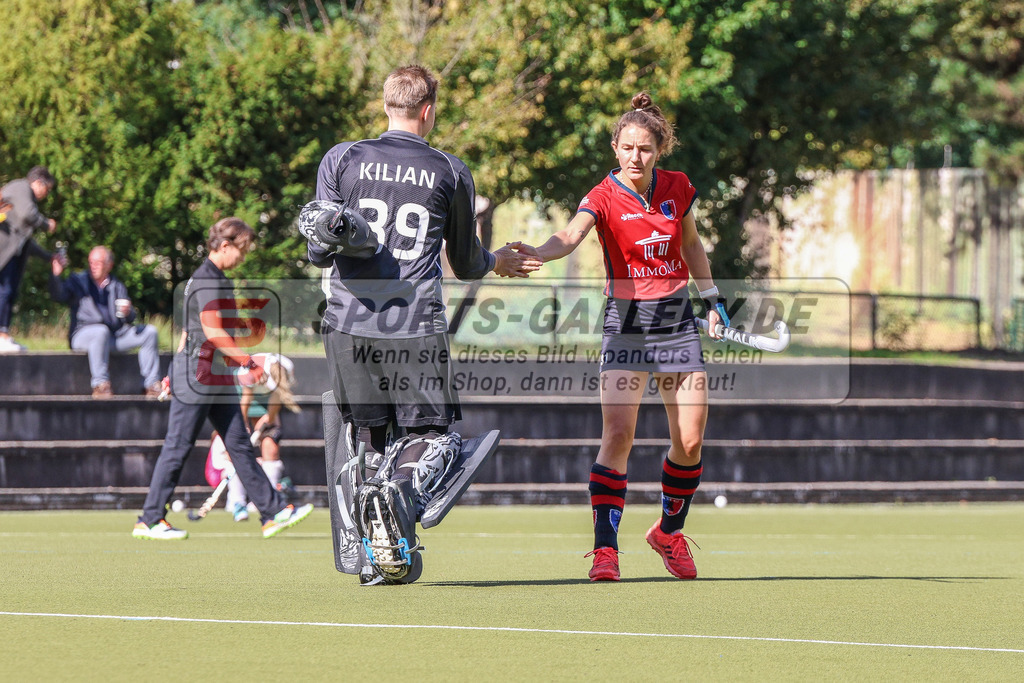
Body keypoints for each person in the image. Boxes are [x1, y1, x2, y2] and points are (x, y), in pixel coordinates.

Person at [302, 64, 540, 583]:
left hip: (346, 322)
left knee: (366, 435)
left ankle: (375, 550)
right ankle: (397, 507)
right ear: (428, 110)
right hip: (413, 323)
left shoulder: (340, 158)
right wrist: (498, 259)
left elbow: (320, 251)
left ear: (386, 104)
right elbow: (467, 262)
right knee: (427, 437)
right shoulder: (450, 171)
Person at [519, 92, 730, 582]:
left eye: (646, 149)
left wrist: (712, 298)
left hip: (676, 321)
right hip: (627, 326)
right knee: (618, 435)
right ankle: (605, 550)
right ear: (615, 147)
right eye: (628, 148)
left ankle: (668, 533)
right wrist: (538, 252)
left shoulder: (678, 188)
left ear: (659, 151)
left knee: (692, 440)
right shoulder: (602, 195)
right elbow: (569, 236)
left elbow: (692, 244)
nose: (637, 157)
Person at [133, 217, 313, 540]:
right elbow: (212, 333)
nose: (243, 257)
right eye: (241, 250)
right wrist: (247, 361)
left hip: (211, 376)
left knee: (240, 445)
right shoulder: (206, 279)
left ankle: (273, 513)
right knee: (178, 445)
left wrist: (173, 372)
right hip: (200, 377)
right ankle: (149, 519)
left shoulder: (211, 277)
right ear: (225, 245)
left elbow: (188, 332)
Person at [49, 245, 162, 398]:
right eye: (90, 262)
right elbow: (59, 296)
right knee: (100, 331)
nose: (92, 266)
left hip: (114, 337)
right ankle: (100, 385)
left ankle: (152, 385)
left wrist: (129, 312)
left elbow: (129, 318)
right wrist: (56, 276)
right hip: (83, 335)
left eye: (97, 263)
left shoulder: (117, 286)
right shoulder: (78, 281)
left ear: (109, 265)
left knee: (150, 332)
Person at [225, 353, 301, 521]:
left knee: (270, 445)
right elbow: (246, 398)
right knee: (235, 446)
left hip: (267, 400)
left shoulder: (285, 368)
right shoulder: (252, 371)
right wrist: (242, 425)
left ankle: (268, 500)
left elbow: (278, 396)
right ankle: (236, 502)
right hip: (242, 394)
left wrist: (268, 419)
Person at [0, 166, 58, 353]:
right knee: (5, 291)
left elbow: (26, 243)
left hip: (12, 254)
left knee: (11, 292)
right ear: (38, 182)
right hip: (3, 251)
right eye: (46, 189)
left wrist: (49, 257)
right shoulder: (21, 187)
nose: (46, 194)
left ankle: (4, 334)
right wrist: (46, 223)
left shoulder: (26, 199)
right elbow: (28, 214)